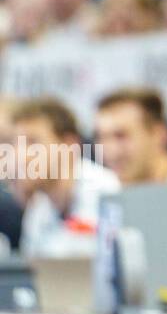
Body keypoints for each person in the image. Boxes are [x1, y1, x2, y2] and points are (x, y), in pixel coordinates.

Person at [94, 87, 167, 240]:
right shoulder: (108, 196)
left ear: (159, 135)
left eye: (121, 136)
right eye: (101, 138)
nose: (110, 151)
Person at [12, 98, 119, 258]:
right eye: (17, 144)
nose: (21, 155)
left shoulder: (106, 191)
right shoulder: (37, 207)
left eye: (33, 142)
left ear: (69, 145)